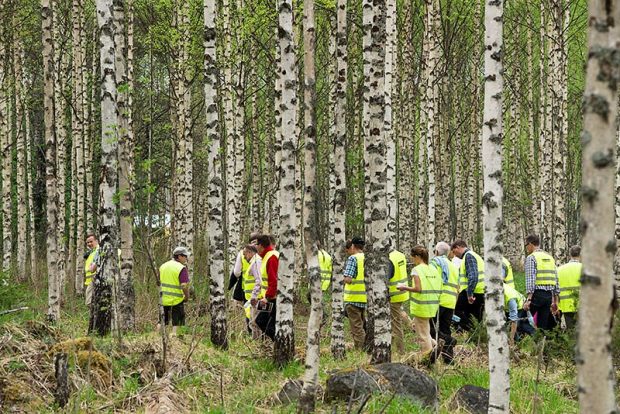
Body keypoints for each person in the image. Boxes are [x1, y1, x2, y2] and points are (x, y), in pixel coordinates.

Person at [398, 245, 441, 357]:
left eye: (412, 257)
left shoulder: (416, 270)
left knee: (422, 335)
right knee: (425, 331)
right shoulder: (433, 269)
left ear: (417, 256)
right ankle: (437, 348)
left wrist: (404, 287)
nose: (412, 260)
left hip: (421, 306)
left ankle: (427, 357)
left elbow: (418, 288)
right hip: (432, 305)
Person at [523, 234, 559, 331]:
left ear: (530, 244)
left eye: (526, 245)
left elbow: (530, 279)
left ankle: (527, 342)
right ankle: (541, 344)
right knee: (542, 325)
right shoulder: (550, 258)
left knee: (522, 320)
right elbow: (556, 279)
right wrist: (555, 301)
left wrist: (529, 299)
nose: (526, 248)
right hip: (548, 297)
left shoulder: (531, 257)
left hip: (536, 295)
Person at [430, 241, 458, 363]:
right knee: (445, 328)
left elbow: (432, 281)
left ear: (436, 252)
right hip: (451, 301)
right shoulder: (452, 265)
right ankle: (448, 359)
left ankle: (447, 341)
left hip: (439, 300)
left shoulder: (436, 263)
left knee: (429, 328)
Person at [451, 240, 485, 331]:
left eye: (454, 252)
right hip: (479, 291)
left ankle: (467, 331)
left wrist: (469, 294)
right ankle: (475, 334)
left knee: (458, 312)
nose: (455, 255)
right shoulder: (474, 255)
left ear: (458, 247)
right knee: (475, 317)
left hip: (473, 292)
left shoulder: (468, 256)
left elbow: (473, 276)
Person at [158, 246, 191, 335]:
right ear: (179, 256)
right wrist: (187, 297)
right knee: (177, 323)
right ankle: (175, 340)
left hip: (163, 299)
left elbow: (158, 282)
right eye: (185, 256)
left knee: (162, 321)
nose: (186, 258)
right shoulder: (181, 268)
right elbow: (184, 286)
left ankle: (156, 337)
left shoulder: (163, 266)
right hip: (177, 300)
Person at [343, 237, 367, 350]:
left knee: (357, 327)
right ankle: (367, 347)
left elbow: (348, 278)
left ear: (353, 246)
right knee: (363, 324)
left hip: (353, 297)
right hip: (364, 297)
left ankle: (361, 350)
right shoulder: (367, 257)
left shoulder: (353, 259)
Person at [255, 235, 279, 340]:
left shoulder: (271, 257)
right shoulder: (266, 256)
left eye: (256, 244)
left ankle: (279, 342)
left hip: (273, 298)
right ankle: (278, 343)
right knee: (263, 321)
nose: (255, 247)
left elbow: (273, 280)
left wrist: (267, 297)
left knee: (264, 322)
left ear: (261, 245)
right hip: (269, 297)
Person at [387, 248, 408, 354]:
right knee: (398, 319)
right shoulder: (400, 254)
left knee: (396, 325)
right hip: (401, 293)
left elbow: (387, 277)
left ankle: (400, 352)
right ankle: (412, 325)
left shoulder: (389, 258)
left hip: (393, 295)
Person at [229, 233, 260, 304]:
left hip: (246, 287)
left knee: (247, 309)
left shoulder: (241, 253)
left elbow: (236, 272)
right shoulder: (261, 253)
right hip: (260, 290)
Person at [557, 245, 582, 330]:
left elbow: (555, 289)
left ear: (570, 255)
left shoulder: (559, 270)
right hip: (581, 305)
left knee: (570, 331)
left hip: (565, 305)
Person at [241, 244, 263, 328]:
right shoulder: (254, 262)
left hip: (257, 299)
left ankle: (256, 341)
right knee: (253, 322)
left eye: (245, 254)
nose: (244, 257)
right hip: (253, 299)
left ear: (250, 253)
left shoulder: (256, 262)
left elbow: (259, 281)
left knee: (255, 323)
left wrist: (254, 297)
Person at [84, 234, 100, 307]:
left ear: (96, 241)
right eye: (87, 242)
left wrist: (91, 268)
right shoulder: (92, 252)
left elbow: (92, 269)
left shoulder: (98, 251)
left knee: (89, 302)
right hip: (92, 280)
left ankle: (95, 318)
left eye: (91, 241)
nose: (89, 244)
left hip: (95, 279)